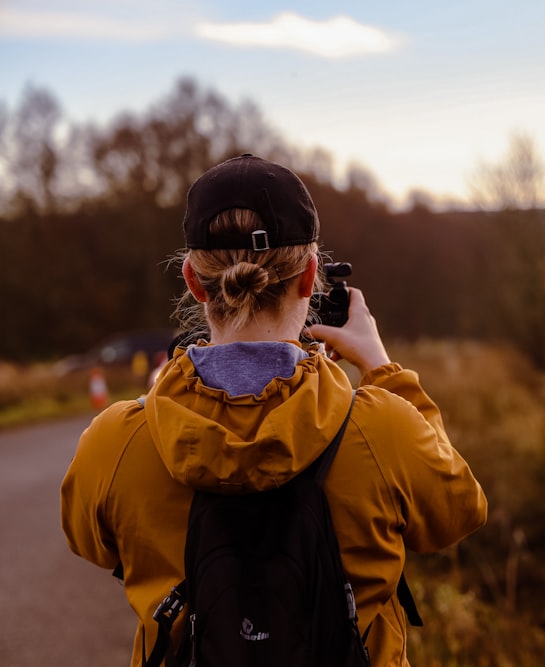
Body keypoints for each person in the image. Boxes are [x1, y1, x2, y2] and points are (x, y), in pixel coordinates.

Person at [60, 154, 488, 666]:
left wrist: (157, 402)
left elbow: (89, 541)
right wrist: (382, 368)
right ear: (311, 277)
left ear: (193, 282)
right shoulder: (381, 426)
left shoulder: (119, 440)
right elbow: (458, 512)